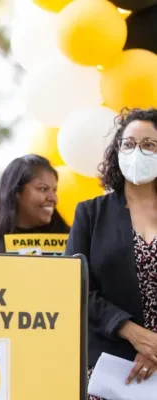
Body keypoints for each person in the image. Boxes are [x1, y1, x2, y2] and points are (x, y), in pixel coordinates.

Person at [65, 108, 157, 399]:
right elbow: (75, 286)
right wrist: (133, 333)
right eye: (129, 144)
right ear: (117, 151)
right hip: (114, 371)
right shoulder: (91, 213)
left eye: (149, 145)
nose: (137, 152)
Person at [0, 154, 70, 253]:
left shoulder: (71, 241)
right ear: (17, 192)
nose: (53, 198)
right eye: (43, 189)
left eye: (54, 190)